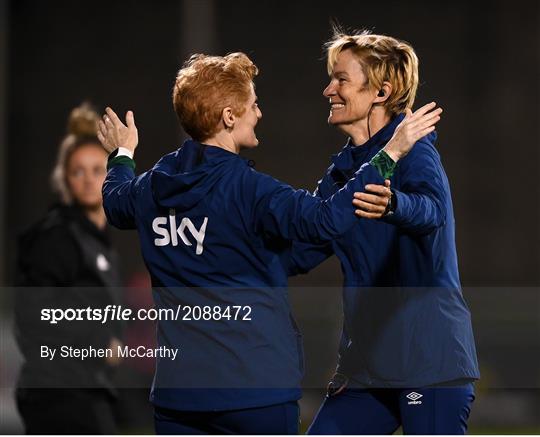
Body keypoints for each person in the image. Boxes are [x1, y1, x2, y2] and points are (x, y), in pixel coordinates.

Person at [98, 52, 441, 434]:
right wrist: (389, 153)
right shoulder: (251, 190)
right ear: (230, 116)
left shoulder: (152, 188)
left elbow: (115, 203)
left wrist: (122, 153)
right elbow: (325, 220)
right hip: (254, 390)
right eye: (253, 104)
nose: (258, 113)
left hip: (179, 396)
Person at [285, 29, 480, 434]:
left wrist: (393, 204)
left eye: (341, 79)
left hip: (427, 364)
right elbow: (302, 251)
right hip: (366, 371)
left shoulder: (415, 148)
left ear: (380, 92)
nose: (328, 89)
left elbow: (433, 213)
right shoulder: (344, 171)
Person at [14, 103, 123, 434]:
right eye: (78, 171)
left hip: (85, 387)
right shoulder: (57, 236)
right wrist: (99, 340)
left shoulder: (96, 240)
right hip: (58, 392)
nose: (89, 180)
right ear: (65, 178)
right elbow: (36, 314)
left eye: (98, 170)